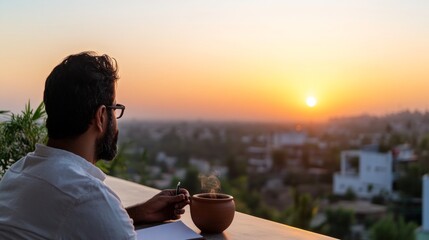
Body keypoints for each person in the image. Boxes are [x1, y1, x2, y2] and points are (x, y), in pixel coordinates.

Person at [0, 51, 190, 239]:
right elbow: (81, 209)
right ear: (100, 116)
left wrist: (136, 214)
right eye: (115, 109)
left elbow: (61, 222)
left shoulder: (17, 174)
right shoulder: (87, 194)